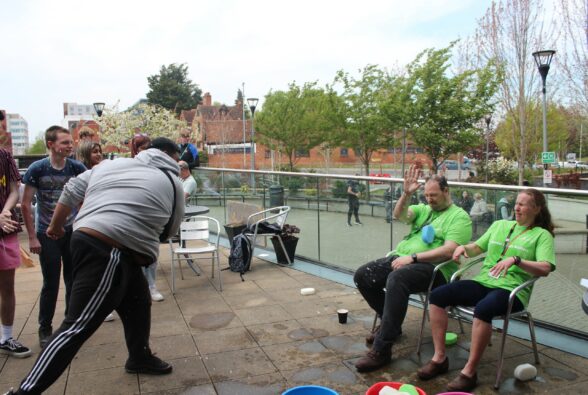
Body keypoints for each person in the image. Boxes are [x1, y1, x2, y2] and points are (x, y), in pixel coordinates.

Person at [6, 138, 184, 395]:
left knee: (138, 302)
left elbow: (72, 189)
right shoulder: (173, 184)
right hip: (110, 249)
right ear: (172, 158)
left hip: (90, 239)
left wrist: (55, 226)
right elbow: (169, 231)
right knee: (77, 325)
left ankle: (139, 357)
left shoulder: (111, 165)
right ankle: (24, 392)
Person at [417, 188, 555, 392]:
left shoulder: (542, 235)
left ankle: (469, 372)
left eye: (523, 204)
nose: (517, 208)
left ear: (536, 209)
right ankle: (439, 358)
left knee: (483, 309)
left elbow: (545, 268)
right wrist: (463, 248)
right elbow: (477, 248)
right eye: (516, 203)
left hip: (511, 291)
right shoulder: (500, 225)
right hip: (484, 282)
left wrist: (517, 260)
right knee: (438, 296)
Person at [353, 165, 472, 372]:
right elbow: (400, 215)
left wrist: (414, 257)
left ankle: (382, 349)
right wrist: (407, 194)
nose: (429, 199)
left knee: (397, 279)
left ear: (446, 191)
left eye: (433, 195)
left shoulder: (459, 217)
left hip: (436, 270)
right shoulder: (424, 210)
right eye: (426, 195)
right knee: (363, 275)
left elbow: (449, 250)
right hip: (403, 260)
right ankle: (390, 325)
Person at [21, 126, 87, 348]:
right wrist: (32, 237)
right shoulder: (37, 169)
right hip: (46, 232)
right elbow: (25, 203)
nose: (70, 146)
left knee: (73, 279)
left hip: (71, 231)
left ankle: (70, 325)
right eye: (65, 142)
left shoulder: (77, 167)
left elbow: (85, 199)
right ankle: (45, 328)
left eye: (71, 142)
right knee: (51, 282)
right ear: (51, 144)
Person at [0, 149, 32, 359]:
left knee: (7, 286)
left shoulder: (4, 155)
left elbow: (14, 189)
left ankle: (6, 338)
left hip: (6, 227)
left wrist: (4, 211)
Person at [129, 133, 165, 302]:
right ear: (136, 149)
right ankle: (140, 286)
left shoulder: (155, 167)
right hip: (133, 217)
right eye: (143, 148)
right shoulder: (128, 166)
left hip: (150, 217)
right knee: (135, 255)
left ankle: (151, 286)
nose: (147, 152)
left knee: (151, 253)